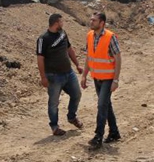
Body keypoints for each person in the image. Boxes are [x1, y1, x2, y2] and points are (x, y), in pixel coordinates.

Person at [36, 14, 84, 136]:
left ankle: (72, 117)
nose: (63, 23)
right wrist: (43, 77)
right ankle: (54, 126)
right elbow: (40, 59)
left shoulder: (63, 33)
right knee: (54, 102)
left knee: (77, 94)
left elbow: (69, 49)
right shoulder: (43, 39)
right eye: (61, 21)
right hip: (53, 76)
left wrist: (77, 64)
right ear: (56, 22)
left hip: (68, 73)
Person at [81, 12, 121, 148]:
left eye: (94, 20)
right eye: (91, 19)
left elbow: (118, 59)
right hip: (96, 78)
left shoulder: (110, 37)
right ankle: (114, 132)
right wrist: (84, 75)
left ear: (102, 23)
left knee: (101, 105)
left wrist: (115, 80)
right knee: (106, 105)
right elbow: (89, 57)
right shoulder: (89, 36)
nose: (91, 22)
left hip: (108, 79)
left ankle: (98, 136)